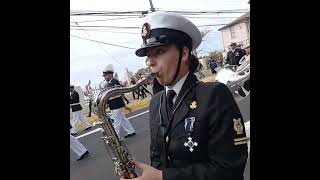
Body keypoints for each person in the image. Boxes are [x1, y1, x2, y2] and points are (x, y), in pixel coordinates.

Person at [121, 11, 248, 180]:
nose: (150, 62)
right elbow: (158, 158)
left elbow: (229, 169)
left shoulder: (214, 95)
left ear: (185, 53)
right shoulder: (156, 102)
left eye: (159, 51)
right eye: (148, 55)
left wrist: (163, 177)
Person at [102, 65, 136, 139]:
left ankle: (115, 137)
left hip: (116, 104)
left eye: (105, 75)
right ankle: (131, 131)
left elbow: (114, 93)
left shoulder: (113, 82)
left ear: (110, 75)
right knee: (123, 119)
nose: (104, 77)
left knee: (116, 121)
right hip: (115, 104)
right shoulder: (110, 83)